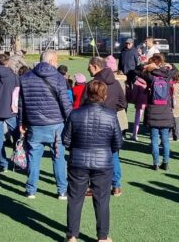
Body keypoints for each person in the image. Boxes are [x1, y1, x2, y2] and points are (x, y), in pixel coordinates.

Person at [63, 80, 121, 242]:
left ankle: (72, 236)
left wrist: (76, 149)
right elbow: (118, 142)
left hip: (78, 161)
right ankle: (102, 237)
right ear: (104, 94)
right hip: (103, 162)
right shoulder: (111, 115)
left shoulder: (75, 114)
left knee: (75, 199)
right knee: (102, 200)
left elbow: (65, 140)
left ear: (87, 93)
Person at [19, 49, 72, 199]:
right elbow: (65, 103)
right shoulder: (59, 78)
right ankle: (62, 190)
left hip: (34, 124)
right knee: (58, 157)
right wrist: (71, 121)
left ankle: (31, 190)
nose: (57, 64)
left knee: (34, 157)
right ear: (50, 61)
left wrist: (21, 122)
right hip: (56, 125)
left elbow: (21, 103)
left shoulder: (25, 77)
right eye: (56, 61)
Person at [87, 56, 127, 196]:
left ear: (95, 66)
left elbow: (84, 104)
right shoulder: (115, 83)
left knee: (93, 155)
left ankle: (94, 186)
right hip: (111, 122)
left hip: (95, 123)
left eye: (89, 66)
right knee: (113, 154)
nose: (88, 69)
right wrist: (110, 110)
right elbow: (123, 103)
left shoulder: (93, 83)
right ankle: (116, 186)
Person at [141, 55, 176, 171]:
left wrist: (146, 66)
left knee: (154, 140)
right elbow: (175, 70)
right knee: (165, 140)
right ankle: (165, 162)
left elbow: (136, 70)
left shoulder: (149, 76)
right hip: (165, 111)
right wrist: (170, 66)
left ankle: (155, 163)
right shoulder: (167, 75)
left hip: (153, 111)